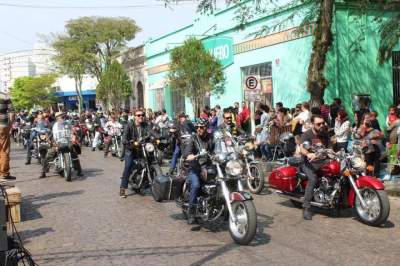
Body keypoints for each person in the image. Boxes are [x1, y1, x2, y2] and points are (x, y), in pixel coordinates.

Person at [182, 118, 214, 224]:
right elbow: (187, 151)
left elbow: (217, 147)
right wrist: (189, 155)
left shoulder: (211, 137)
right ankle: (191, 212)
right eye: (197, 127)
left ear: (206, 128)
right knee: (195, 185)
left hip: (209, 167)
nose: (199, 129)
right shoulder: (193, 138)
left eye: (201, 127)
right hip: (195, 167)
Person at [299, 114, 330, 220]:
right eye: (318, 124)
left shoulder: (325, 135)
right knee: (313, 179)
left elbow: (330, 149)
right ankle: (306, 207)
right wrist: (308, 154)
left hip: (323, 161)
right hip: (308, 163)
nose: (321, 125)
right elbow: (302, 148)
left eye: (323, 123)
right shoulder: (307, 135)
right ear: (313, 124)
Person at [120, 110, 153, 198]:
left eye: (142, 115)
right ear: (134, 116)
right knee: (128, 166)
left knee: (150, 161)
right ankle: (123, 188)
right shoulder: (129, 125)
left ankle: (143, 184)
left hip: (142, 148)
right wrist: (129, 142)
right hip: (130, 149)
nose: (140, 117)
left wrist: (158, 137)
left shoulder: (145, 125)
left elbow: (151, 132)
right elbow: (124, 139)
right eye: (138, 115)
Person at [40, 112, 83, 179]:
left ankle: (79, 171)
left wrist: (74, 137)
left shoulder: (68, 124)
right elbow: (47, 133)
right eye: (59, 116)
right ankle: (43, 172)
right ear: (56, 118)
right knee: (48, 155)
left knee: (75, 155)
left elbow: (73, 131)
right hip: (57, 143)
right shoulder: (52, 125)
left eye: (62, 116)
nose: (61, 118)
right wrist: (49, 140)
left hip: (67, 142)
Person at [0, 92, 15, 180]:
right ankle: (4, 174)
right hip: (2, 127)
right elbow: (12, 113)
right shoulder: (5, 96)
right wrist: (9, 126)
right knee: (4, 149)